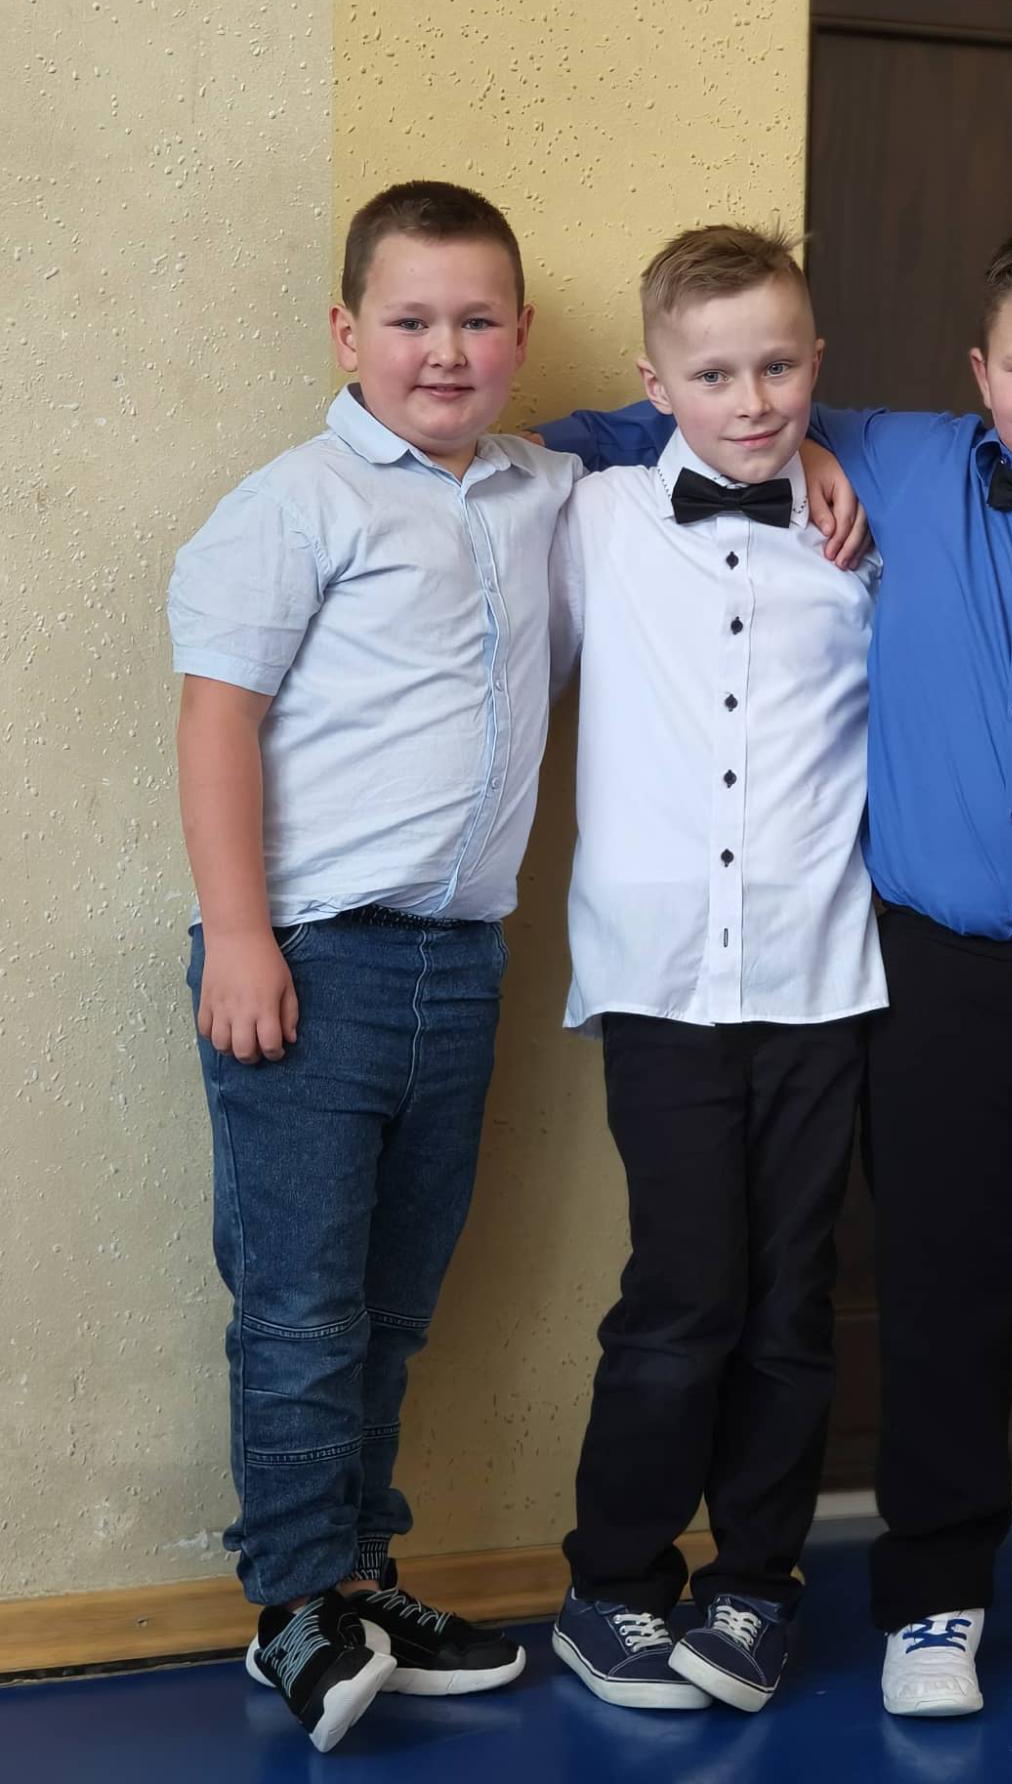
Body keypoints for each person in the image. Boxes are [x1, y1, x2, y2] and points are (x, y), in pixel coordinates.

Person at [539, 213, 1012, 1718]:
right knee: (943, 1294)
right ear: (977, 373)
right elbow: (662, 421)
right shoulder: (893, 458)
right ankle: (934, 1600)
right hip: (932, 980)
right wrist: (790, 441)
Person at [168, 181, 576, 1750]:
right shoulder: (298, 503)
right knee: (299, 1308)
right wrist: (243, 934)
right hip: (307, 964)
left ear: (521, 334)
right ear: (348, 333)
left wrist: (808, 458)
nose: (445, 350)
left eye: (477, 321)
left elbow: (678, 430)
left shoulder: (543, 490)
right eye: (410, 321)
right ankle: (290, 1604)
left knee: (394, 1304)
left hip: (457, 967)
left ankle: (359, 1575)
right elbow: (218, 718)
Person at [544, 226, 884, 1715]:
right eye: (714, 374)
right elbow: (480, 447)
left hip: (821, 973)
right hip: (661, 981)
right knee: (682, 1292)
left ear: (819, 365)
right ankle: (612, 1584)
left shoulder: (867, 536)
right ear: (654, 383)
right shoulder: (596, 512)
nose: (752, 401)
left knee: (794, 1299)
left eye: (779, 367)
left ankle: (756, 1585)